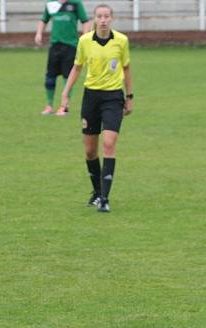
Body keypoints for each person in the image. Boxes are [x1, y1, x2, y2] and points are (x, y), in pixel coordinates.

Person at [61, 3, 133, 213]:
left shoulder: (121, 41)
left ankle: (105, 198)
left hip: (113, 97)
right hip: (91, 97)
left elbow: (126, 69)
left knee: (108, 144)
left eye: (106, 16)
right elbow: (77, 67)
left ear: (111, 19)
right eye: (99, 16)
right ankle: (97, 191)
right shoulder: (84, 41)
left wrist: (129, 96)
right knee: (90, 150)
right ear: (94, 19)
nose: (103, 20)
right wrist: (65, 93)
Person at [35, 0, 91, 116]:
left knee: (68, 76)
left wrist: (85, 37)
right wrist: (39, 33)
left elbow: (85, 21)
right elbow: (43, 20)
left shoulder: (76, 3)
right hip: (55, 45)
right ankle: (49, 105)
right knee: (50, 76)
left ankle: (64, 106)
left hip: (70, 46)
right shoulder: (51, 4)